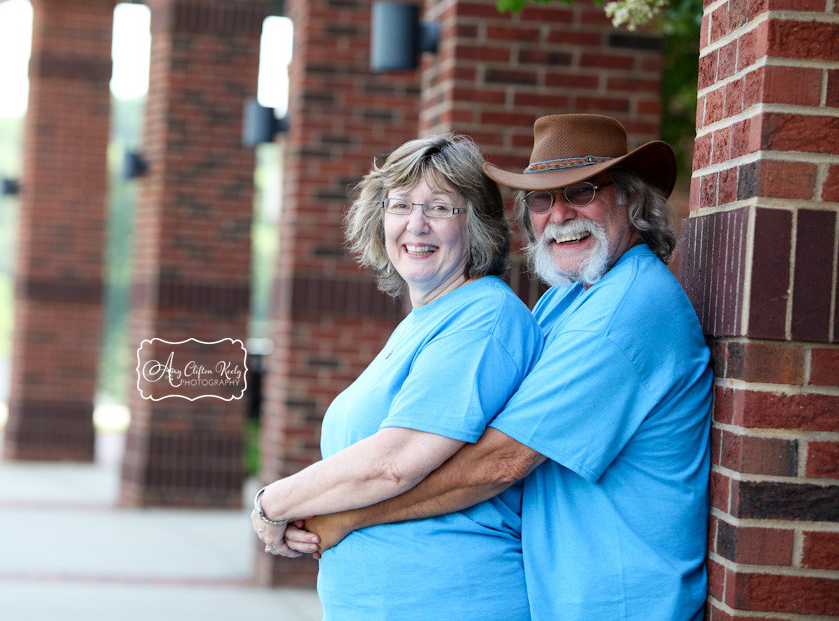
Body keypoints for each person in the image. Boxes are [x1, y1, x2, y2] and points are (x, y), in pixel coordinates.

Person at [286, 114, 713, 621]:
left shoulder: (628, 309)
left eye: (580, 192)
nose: (558, 216)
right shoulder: (568, 301)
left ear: (630, 197)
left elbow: (500, 461)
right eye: (541, 199)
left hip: (621, 602)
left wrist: (346, 517)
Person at [251, 134, 542, 619]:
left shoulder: (484, 316)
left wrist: (272, 503)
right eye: (401, 204)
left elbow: (395, 461)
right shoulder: (423, 321)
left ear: (476, 225)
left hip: (450, 602)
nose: (416, 224)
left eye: (441, 207)